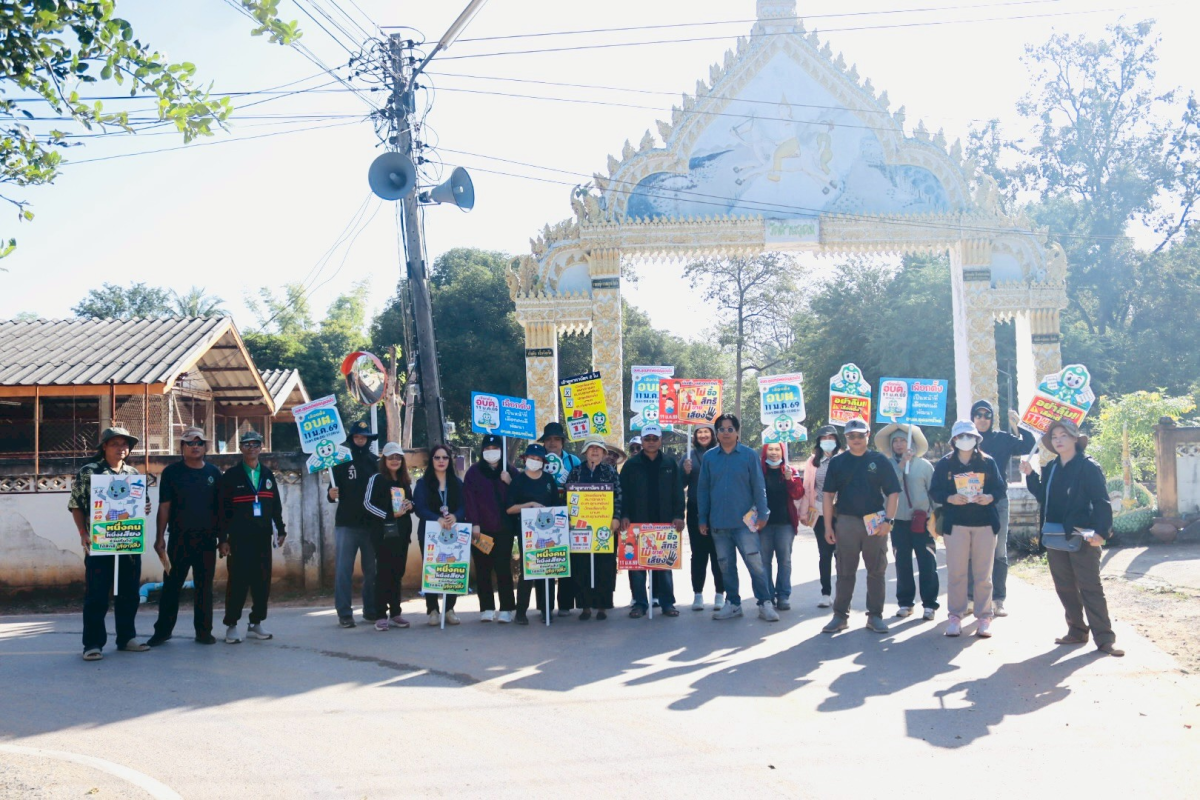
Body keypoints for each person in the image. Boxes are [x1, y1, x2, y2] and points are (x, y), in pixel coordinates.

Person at [1020, 419, 1123, 656]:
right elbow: (1043, 496)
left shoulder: (1088, 466)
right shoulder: (1052, 467)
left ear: (1075, 439)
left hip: (1084, 536)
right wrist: (1030, 475)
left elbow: (1101, 501)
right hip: (1055, 536)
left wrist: (1101, 532)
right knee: (1064, 587)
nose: (1058, 440)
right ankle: (1077, 630)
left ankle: (1105, 639)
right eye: (1054, 437)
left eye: (1063, 435)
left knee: (1090, 587)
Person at [70, 427, 151, 661]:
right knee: (96, 594)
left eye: (125, 444)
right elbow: (76, 505)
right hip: (99, 541)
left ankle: (126, 638)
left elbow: (141, 504)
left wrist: (144, 507)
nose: (121, 448)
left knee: (129, 593)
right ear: (104, 446)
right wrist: (83, 532)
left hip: (129, 540)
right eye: (115, 443)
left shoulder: (133, 473)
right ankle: (92, 644)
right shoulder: (89, 472)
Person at [820, 418, 900, 635]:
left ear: (868, 435)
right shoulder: (837, 462)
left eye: (860, 435)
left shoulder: (879, 460)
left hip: (875, 522)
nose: (856, 439)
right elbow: (828, 495)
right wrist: (828, 526)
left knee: (876, 571)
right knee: (845, 570)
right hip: (846, 521)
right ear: (846, 438)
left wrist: (889, 521)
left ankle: (875, 616)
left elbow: (893, 492)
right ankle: (840, 616)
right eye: (851, 436)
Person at [929, 420, 1007, 638]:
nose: (965, 440)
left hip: (985, 524)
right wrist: (950, 498)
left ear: (976, 439)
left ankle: (984, 617)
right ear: (954, 440)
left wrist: (989, 497)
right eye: (961, 436)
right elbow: (934, 491)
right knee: (957, 573)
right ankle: (955, 616)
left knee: (983, 575)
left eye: (970, 436)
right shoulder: (945, 464)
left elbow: (1000, 488)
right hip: (956, 524)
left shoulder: (988, 462)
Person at [697, 413, 778, 622]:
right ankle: (733, 603)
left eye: (730, 429)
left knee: (755, 564)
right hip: (719, 522)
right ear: (717, 433)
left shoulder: (749, 455)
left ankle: (765, 602)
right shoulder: (709, 458)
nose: (726, 433)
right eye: (721, 429)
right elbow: (703, 489)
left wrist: (764, 513)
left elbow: (759, 486)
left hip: (745, 524)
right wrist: (702, 518)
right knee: (725, 565)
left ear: (737, 432)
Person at [147, 426, 223, 647]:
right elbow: (164, 507)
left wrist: (223, 539)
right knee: (171, 587)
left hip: (207, 540)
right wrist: (159, 538)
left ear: (205, 447)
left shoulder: (214, 473)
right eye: (190, 443)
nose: (195, 446)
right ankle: (162, 632)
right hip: (179, 539)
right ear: (182, 447)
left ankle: (204, 632)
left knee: (204, 588)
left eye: (199, 443)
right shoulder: (171, 473)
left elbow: (221, 509)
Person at [968, 399, 1036, 617]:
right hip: (970, 501)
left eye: (987, 415)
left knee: (999, 550)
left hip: (998, 501)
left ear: (992, 418)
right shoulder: (966, 439)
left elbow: (1028, 446)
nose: (982, 419)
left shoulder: (1002, 439)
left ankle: (998, 599)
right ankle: (970, 598)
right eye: (978, 415)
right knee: (971, 550)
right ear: (972, 418)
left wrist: (1020, 425)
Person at [220, 430, 287, 644]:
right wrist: (223, 539)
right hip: (238, 539)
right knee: (237, 582)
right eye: (247, 444)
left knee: (262, 582)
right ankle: (231, 625)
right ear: (241, 448)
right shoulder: (231, 476)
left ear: (261, 447)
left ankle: (255, 622)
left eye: (255, 444)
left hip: (262, 537)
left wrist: (281, 529)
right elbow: (222, 510)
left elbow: (275, 505)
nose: (251, 448)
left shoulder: (267, 474)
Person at [874, 423, 938, 621]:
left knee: (927, 563)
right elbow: (887, 489)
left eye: (903, 440)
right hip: (898, 522)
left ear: (912, 443)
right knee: (902, 564)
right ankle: (905, 603)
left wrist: (937, 520)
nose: (900, 444)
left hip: (922, 521)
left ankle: (929, 604)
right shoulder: (886, 466)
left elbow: (934, 494)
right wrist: (902, 465)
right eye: (896, 441)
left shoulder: (924, 466)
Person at [619, 424, 684, 618]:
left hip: (664, 522)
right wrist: (624, 515)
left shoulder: (670, 463)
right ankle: (639, 604)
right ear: (642, 440)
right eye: (647, 439)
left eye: (654, 438)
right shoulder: (631, 465)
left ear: (660, 440)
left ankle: (667, 604)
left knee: (664, 566)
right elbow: (623, 493)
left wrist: (679, 515)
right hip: (636, 523)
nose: (651, 442)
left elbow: (678, 492)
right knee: (637, 567)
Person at [328, 420, 379, 628]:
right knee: (343, 570)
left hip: (371, 525)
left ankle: (371, 610)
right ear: (351, 439)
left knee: (372, 571)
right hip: (346, 524)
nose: (360, 440)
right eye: (357, 436)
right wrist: (331, 494)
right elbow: (332, 493)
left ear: (368, 439)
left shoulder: (376, 463)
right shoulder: (339, 462)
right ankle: (344, 613)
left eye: (364, 437)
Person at [463, 435, 518, 623]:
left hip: (504, 528)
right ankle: (486, 607)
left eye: (495, 448)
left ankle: (507, 608)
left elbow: (520, 494)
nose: (491, 451)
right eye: (487, 448)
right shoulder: (474, 472)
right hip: (481, 530)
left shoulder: (509, 470)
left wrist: (510, 482)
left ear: (502, 450)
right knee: (483, 569)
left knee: (503, 568)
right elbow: (469, 499)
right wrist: (474, 523)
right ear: (482, 450)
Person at [566, 440, 623, 620]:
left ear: (604, 452)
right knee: (581, 565)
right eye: (591, 448)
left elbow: (619, 495)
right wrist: (569, 518)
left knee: (605, 566)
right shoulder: (576, 471)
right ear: (585, 452)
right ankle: (585, 606)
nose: (595, 451)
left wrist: (616, 517)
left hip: (604, 526)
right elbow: (568, 496)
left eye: (598, 448)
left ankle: (602, 606)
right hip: (580, 527)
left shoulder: (610, 472)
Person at [362, 443, 415, 631]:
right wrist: (389, 515)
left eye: (398, 457)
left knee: (397, 573)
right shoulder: (376, 479)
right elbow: (367, 504)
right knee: (384, 574)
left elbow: (411, 502)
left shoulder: (404, 480)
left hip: (402, 535)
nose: (395, 461)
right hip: (383, 535)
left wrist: (410, 505)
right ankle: (380, 615)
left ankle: (396, 613)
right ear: (384, 459)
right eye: (391, 457)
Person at [412, 443, 467, 626]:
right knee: (431, 570)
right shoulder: (423, 483)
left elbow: (464, 505)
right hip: (430, 534)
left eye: (445, 457)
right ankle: (433, 610)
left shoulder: (457, 483)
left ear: (449, 461)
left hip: (453, 534)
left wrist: (456, 516)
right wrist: (437, 519)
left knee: (452, 569)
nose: (441, 461)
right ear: (432, 460)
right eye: (437, 457)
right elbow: (419, 508)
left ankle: (449, 609)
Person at [507, 443, 561, 625]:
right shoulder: (518, 481)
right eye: (532, 458)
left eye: (538, 459)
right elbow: (509, 508)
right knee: (528, 570)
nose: (535, 461)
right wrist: (529, 505)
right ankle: (521, 612)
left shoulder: (548, 480)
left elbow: (556, 504)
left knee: (548, 568)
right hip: (528, 534)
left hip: (549, 532)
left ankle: (547, 610)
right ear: (525, 459)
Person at [539, 421, 581, 616]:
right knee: (544, 560)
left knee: (568, 560)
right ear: (544, 442)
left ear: (563, 442)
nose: (553, 443)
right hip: (542, 517)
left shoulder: (573, 461)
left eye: (557, 439)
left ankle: (565, 604)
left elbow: (581, 486)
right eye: (549, 439)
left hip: (569, 516)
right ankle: (544, 607)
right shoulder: (536, 459)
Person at [799, 425, 844, 608]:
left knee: (841, 555)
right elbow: (807, 487)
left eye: (831, 438)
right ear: (819, 441)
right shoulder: (812, 462)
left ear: (836, 440)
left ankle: (842, 593)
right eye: (824, 438)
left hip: (842, 513)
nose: (827, 441)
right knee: (825, 554)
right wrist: (804, 512)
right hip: (819, 512)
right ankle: (826, 593)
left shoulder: (844, 458)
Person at [682, 424, 724, 611]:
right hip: (695, 509)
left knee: (718, 553)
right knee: (698, 554)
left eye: (707, 431)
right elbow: (679, 484)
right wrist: (685, 472)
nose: (703, 435)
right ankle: (697, 594)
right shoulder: (689, 456)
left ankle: (720, 594)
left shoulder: (721, 454)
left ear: (713, 434)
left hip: (718, 509)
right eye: (700, 432)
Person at [759, 442, 805, 611]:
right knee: (764, 562)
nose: (774, 452)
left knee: (784, 561)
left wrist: (789, 480)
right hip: (764, 524)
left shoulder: (790, 470)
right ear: (765, 452)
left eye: (777, 449)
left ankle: (783, 595)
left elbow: (798, 493)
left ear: (782, 452)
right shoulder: (759, 471)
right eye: (770, 449)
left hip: (785, 524)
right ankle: (768, 596)